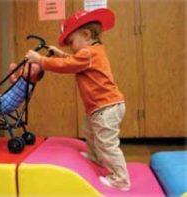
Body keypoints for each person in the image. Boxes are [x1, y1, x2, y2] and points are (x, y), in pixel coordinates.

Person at [25, 8, 130, 191]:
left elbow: (69, 65)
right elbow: (73, 60)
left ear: (86, 34)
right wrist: (59, 54)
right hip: (100, 107)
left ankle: (121, 180)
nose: (71, 46)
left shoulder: (89, 53)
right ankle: (96, 157)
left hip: (106, 107)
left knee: (107, 143)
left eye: (72, 41)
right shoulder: (91, 53)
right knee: (89, 132)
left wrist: (40, 60)